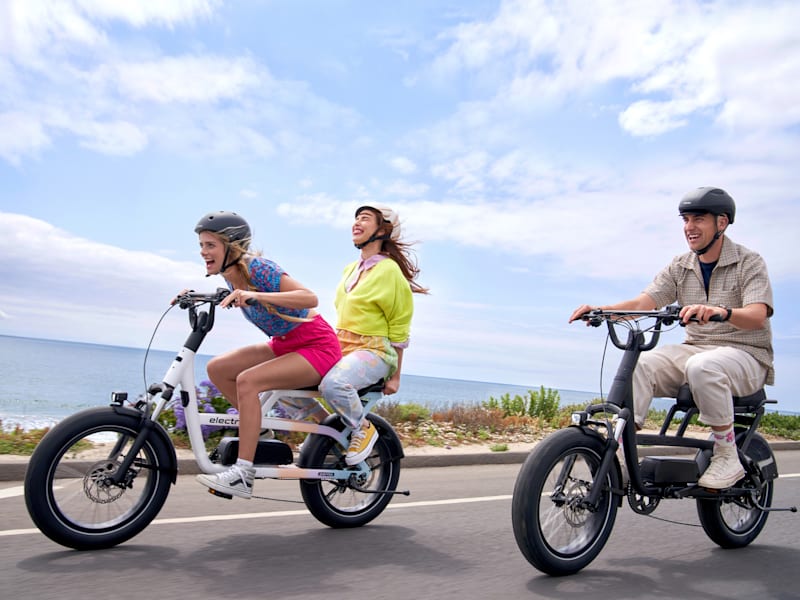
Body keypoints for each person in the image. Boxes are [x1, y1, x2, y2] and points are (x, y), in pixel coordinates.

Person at [568, 187, 774, 490]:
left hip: (746, 354)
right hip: (696, 349)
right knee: (641, 365)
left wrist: (721, 312)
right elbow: (644, 303)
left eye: (698, 219)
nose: (689, 227)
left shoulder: (749, 262)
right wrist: (602, 311)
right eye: (686, 219)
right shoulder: (680, 265)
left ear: (722, 222)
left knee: (703, 367)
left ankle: (727, 454)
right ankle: (621, 454)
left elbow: (757, 314)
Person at [189, 211, 342, 499]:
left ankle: (243, 473)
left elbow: (309, 297)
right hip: (285, 343)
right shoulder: (231, 276)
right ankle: (260, 435)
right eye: (201, 245)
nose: (203, 252)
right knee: (218, 368)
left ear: (232, 247)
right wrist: (191, 296)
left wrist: (257, 296)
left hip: (316, 345)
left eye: (210, 245)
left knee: (248, 381)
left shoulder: (259, 268)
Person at [319, 204, 428, 465]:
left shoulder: (390, 271)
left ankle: (363, 429)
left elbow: (400, 327)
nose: (357, 222)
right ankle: (328, 435)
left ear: (382, 230)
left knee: (334, 384)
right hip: (341, 346)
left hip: (374, 351)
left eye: (365, 218)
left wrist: (396, 375)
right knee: (289, 383)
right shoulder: (350, 269)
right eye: (356, 218)